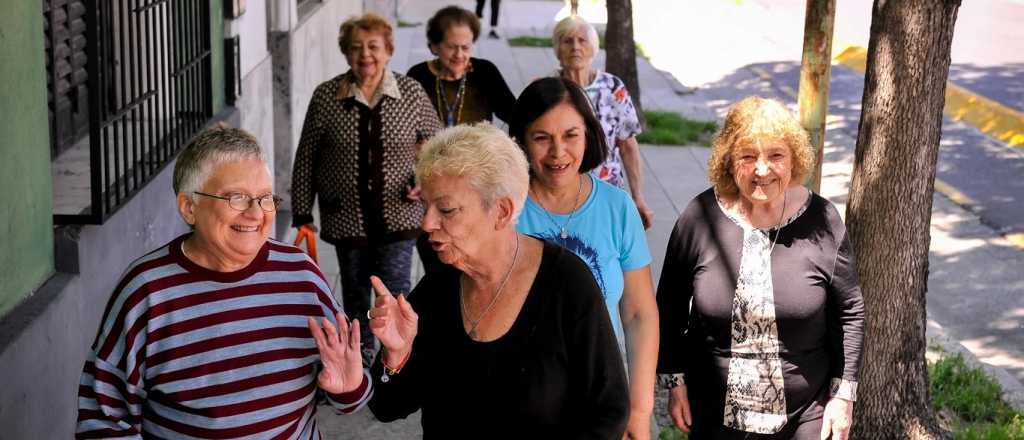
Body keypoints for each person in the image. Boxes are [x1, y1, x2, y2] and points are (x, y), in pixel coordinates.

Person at [76, 126, 372, 439]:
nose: (256, 213)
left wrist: (350, 386)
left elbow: (349, 394)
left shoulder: (301, 275)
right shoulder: (147, 292)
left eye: (265, 198)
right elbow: (103, 420)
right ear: (189, 207)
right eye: (237, 198)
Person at [364, 124, 629, 438]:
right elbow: (387, 407)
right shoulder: (437, 289)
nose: (427, 222)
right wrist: (396, 355)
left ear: (502, 211)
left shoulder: (567, 283)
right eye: (426, 206)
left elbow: (610, 408)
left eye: (446, 209)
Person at [656, 96, 865, 439]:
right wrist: (674, 381)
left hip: (804, 414)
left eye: (776, 155)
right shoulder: (700, 217)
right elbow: (669, 304)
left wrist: (843, 397)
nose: (762, 169)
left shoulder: (823, 220)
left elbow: (850, 311)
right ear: (729, 160)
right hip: (713, 412)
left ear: (794, 158)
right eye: (748, 156)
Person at [511, 77, 659, 440]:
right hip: (518, 399)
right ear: (521, 141)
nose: (558, 152)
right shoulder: (505, 210)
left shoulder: (617, 207)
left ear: (589, 135)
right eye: (541, 137)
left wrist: (638, 410)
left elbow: (639, 313)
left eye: (570, 135)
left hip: (602, 397)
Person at [291, 13, 442, 365]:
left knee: (395, 291)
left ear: (388, 50)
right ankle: (359, 358)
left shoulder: (410, 92)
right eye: (356, 47)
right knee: (355, 293)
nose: (365, 55)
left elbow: (438, 148)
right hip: (346, 217)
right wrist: (301, 211)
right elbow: (307, 155)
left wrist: (424, 182)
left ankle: (398, 356)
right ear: (345, 53)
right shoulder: (328, 96)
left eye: (374, 46)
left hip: (400, 214)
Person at [407, 5, 516, 272]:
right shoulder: (418, 77)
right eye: (452, 47)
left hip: (475, 188)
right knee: (439, 266)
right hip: (431, 189)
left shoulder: (485, 73)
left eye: (466, 47)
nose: (460, 55)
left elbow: (516, 115)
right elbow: (404, 134)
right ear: (434, 46)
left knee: (473, 264)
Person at [552, 15, 654, 230]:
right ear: (558, 49)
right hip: (560, 196)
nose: (575, 47)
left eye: (582, 40)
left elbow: (627, 144)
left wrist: (638, 197)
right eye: (567, 41)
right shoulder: (548, 90)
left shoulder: (612, 87)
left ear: (593, 48)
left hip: (607, 194)